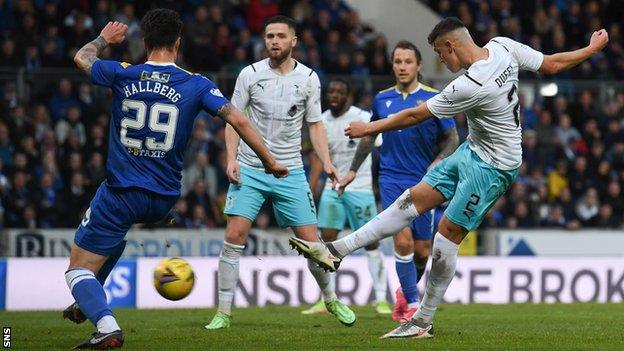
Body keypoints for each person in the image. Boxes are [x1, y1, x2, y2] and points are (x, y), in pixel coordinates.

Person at [289, 17, 609, 339]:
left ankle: (422, 322)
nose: (441, 62)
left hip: (494, 167)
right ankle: (336, 251)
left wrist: (369, 128)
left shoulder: (469, 85)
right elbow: (551, 64)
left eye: (440, 54)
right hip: (472, 150)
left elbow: (415, 115)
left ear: (450, 46)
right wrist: (592, 48)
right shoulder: (503, 46)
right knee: (411, 200)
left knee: (444, 241)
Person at [63, 9, 288, 349]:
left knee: (76, 270)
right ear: (178, 43)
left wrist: (104, 40)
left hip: (121, 193)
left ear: (144, 41)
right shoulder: (196, 83)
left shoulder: (123, 74)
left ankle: (106, 324)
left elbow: (82, 57)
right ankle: (88, 301)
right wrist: (269, 161)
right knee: (116, 240)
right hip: (165, 198)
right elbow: (238, 121)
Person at [205, 15, 355, 330]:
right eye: (270, 36)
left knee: (313, 244)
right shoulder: (249, 74)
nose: (274, 41)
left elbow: (315, 124)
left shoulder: (309, 78)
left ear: (293, 41)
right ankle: (223, 312)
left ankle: (330, 299)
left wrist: (326, 161)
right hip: (250, 167)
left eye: (280, 36)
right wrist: (231, 158)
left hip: (290, 170)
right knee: (233, 236)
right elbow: (233, 118)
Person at [338, 40, 458, 322]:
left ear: (419, 66)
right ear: (392, 65)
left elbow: (452, 139)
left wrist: (438, 161)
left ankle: (405, 293)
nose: (402, 67)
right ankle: (413, 306)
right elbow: (369, 135)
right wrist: (354, 169)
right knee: (402, 244)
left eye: (408, 61)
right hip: (391, 178)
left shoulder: (433, 98)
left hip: (424, 181)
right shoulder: (382, 99)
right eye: (397, 61)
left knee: (422, 251)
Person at [302, 77, 391, 316]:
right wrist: (312, 186)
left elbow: (378, 144)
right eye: (330, 91)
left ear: (347, 96)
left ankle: (381, 299)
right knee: (326, 243)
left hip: (360, 189)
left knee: (371, 242)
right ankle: (327, 298)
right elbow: (318, 158)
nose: (333, 95)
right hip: (333, 190)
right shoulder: (321, 121)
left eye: (338, 91)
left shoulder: (362, 117)